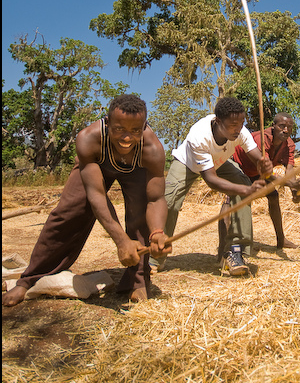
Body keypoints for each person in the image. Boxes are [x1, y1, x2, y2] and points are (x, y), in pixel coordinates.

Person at [2, 95, 172, 307]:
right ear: (107, 122)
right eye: (119, 129)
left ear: (144, 126)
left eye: (135, 131)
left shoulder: (152, 149)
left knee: (140, 216)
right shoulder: (88, 138)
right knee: (68, 213)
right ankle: (29, 280)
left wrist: (157, 232)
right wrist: (120, 240)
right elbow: (97, 195)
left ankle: (138, 281)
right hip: (97, 165)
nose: (127, 138)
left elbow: (155, 198)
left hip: (135, 170)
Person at [150, 96, 272, 277]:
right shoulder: (199, 136)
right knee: (169, 201)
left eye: (241, 124)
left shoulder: (240, 130)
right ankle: (155, 255)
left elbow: (256, 157)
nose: (238, 129)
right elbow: (211, 180)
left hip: (219, 163)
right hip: (188, 163)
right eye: (233, 125)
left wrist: (264, 164)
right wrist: (247, 190)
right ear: (218, 121)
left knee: (242, 182)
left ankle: (234, 252)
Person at [221, 112, 300, 252]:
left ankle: (281, 240)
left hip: (256, 172)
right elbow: (266, 172)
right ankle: (226, 246)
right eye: (282, 126)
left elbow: (289, 170)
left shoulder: (289, 145)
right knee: (231, 200)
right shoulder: (262, 140)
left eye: (289, 127)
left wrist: (295, 191)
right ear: (273, 126)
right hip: (238, 166)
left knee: (273, 196)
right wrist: (291, 184)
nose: (286, 130)